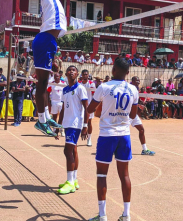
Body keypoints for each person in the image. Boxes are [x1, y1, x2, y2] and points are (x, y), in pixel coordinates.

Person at [15, 0, 67, 136]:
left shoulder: (57, 4)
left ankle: (45, 117)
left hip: (50, 41)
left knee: (45, 84)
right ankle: (41, 120)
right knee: (42, 83)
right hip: (45, 40)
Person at [87, 58, 138, 221]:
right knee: (125, 176)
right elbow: (133, 115)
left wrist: (104, 108)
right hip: (124, 135)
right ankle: (126, 215)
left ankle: (102, 216)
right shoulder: (133, 89)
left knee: (102, 175)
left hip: (107, 135)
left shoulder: (103, 87)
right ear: (128, 73)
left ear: (113, 70)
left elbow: (90, 109)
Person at [55, 65, 88, 195]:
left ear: (77, 74)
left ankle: (70, 183)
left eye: (73, 70)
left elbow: (86, 108)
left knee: (67, 150)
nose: (71, 72)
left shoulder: (80, 89)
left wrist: (85, 125)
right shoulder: (65, 90)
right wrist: (58, 126)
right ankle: (74, 180)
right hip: (67, 123)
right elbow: (63, 109)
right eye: (69, 70)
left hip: (75, 123)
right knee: (73, 150)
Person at [130, 76, 155, 155]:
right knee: (120, 132)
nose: (139, 82)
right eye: (137, 80)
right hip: (127, 113)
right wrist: (138, 106)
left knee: (141, 129)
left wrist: (139, 105)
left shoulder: (136, 88)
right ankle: (114, 149)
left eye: (139, 80)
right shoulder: (129, 88)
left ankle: (144, 150)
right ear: (133, 81)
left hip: (134, 113)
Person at [80, 69, 96, 147]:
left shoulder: (91, 84)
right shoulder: (79, 84)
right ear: (82, 75)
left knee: (89, 122)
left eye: (87, 74)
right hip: (80, 106)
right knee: (79, 122)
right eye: (84, 74)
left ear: (88, 75)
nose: (85, 76)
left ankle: (89, 138)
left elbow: (94, 96)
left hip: (89, 106)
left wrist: (94, 106)